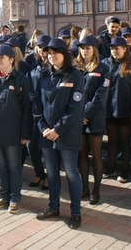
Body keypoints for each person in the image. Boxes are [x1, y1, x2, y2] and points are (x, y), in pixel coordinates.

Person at [34, 38, 85, 229]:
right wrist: (43, 128)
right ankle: (53, 207)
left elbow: (75, 108)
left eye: (56, 53)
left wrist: (58, 129)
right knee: (52, 174)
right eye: (49, 53)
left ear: (65, 55)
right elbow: (37, 105)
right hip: (47, 133)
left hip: (67, 133)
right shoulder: (43, 75)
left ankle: (76, 213)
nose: (52, 56)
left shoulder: (75, 75)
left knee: (72, 173)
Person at [0, 44, 32, 214]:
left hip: (13, 133)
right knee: (1, 166)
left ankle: (15, 198)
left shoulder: (21, 79)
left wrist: (25, 133)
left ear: (11, 59)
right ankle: (4, 196)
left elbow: (27, 108)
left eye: (1, 58)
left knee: (13, 166)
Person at [102, 37, 131, 183]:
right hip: (108, 110)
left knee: (125, 142)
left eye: (117, 48)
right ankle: (110, 168)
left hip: (125, 110)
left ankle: (124, 172)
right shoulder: (105, 63)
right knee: (111, 140)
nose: (114, 51)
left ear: (124, 49)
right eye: (112, 48)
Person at [75, 35, 110, 205]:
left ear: (94, 49)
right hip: (78, 118)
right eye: (82, 48)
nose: (84, 51)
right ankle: (84, 188)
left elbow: (100, 96)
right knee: (81, 154)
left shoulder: (103, 68)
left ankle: (96, 190)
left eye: (87, 48)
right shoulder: (77, 68)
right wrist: (78, 115)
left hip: (95, 117)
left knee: (96, 154)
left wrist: (86, 115)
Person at [25, 34, 51, 190]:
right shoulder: (33, 65)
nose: (42, 50)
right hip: (33, 111)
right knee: (31, 146)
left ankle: (49, 176)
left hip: (48, 112)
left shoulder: (54, 65)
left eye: (45, 48)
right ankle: (39, 173)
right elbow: (28, 84)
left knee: (47, 148)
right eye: (40, 47)